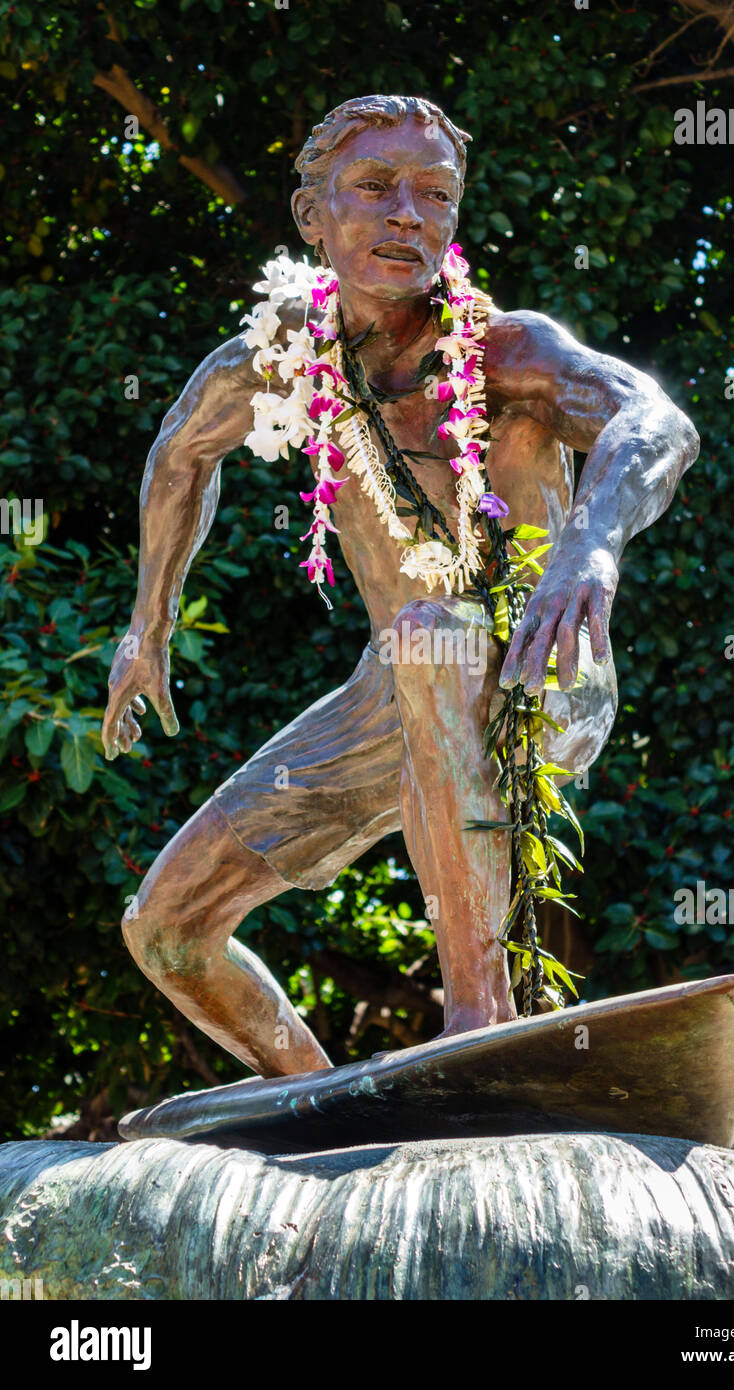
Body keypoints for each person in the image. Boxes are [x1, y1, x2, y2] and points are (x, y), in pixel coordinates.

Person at [100, 95, 699, 1079]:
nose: (405, 216)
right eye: (375, 188)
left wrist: (591, 546)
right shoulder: (279, 359)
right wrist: (145, 629)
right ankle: (318, 1098)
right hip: (392, 688)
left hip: (538, 664)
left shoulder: (506, 354)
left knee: (432, 637)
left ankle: (476, 1020)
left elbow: (655, 421)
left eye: (433, 194)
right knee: (165, 929)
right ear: (312, 218)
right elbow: (177, 455)